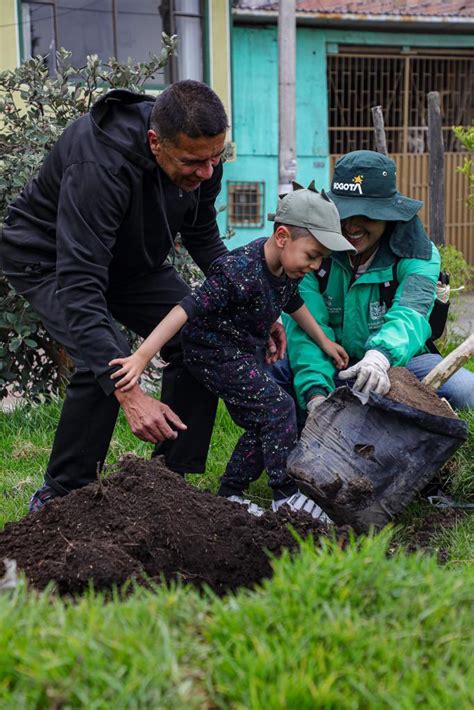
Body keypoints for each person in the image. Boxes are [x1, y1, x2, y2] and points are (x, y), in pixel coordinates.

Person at [1, 80, 280, 512]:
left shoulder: (201, 154)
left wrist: (257, 305)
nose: (206, 173)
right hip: (50, 258)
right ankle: (62, 494)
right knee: (105, 362)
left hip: (129, 262)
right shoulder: (99, 165)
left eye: (215, 158)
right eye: (193, 162)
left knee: (198, 335)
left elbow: (203, 235)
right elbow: (80, 284)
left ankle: (168, 481)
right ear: (155, 142)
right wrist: (130, 395)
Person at [107, 185, 355, 518]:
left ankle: (231, 493)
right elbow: (185, 309)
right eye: (312, 255)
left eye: (321, 258)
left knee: (270, 419)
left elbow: (292, 302)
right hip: (212, 350)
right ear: (282, 237)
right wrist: (141, 356)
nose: (315, 265)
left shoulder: (287, 269)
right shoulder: (238, 270)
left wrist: (324, 342)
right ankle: (286, 496)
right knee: (278, 407)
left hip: (242, 349)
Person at [280, 150, 474, 414]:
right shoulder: (312, 252)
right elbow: (307, 327)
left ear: (389, 214)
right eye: (344, 213)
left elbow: (411, 315)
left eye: (367, 215)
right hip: (332, 363)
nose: (351, 226)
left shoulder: (418, 253)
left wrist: (380, 356)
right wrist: (315, 393)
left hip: (399, 364)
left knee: (467, 390)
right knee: (268, 370)